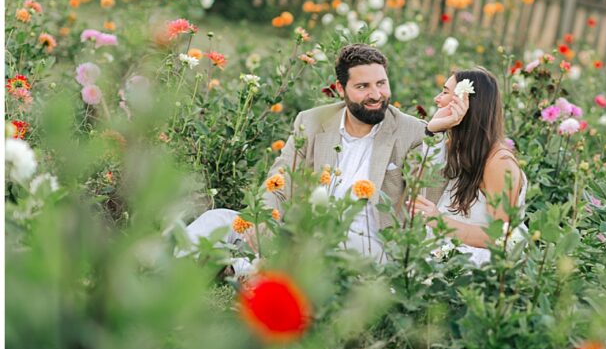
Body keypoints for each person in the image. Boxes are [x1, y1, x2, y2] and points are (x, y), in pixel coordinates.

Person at [177, 43, 466, 266]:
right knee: (218, 219)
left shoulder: (415, 132)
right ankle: (168, 273)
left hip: (366, 246)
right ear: (341, 88)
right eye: (363, 86)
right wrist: (261, 217)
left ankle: (243, 269)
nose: (376, 94)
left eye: (381, 83)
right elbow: (278, 181)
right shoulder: (312, 122)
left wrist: (436, 132)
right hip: (300, 234)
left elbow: (429, 187)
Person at [410, 67, 528, 265]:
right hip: (447, 258)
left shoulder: (499, 163)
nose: (437, 99)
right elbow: (422, 173)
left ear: (466, 103)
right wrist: (433, 129)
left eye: (446, 92)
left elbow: (501, 237)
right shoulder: (460, 149)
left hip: (480, 269)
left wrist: (438, 221)